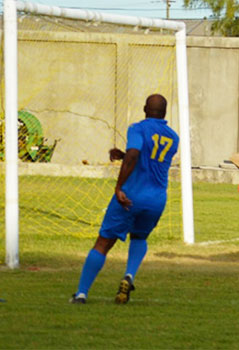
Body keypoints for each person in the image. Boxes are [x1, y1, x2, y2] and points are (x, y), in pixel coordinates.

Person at [70, 94, 179, 304]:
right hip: (156, 199)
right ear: (164, 113)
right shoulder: (173, 137)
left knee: (103, 243)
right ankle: (129, 275)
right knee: (139, 237)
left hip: (131, 196)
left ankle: (81, 294)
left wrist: (119, 186)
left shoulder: (137, 128)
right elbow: (149, 158)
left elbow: (135, 155)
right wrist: (123, 155)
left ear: (145, 109)